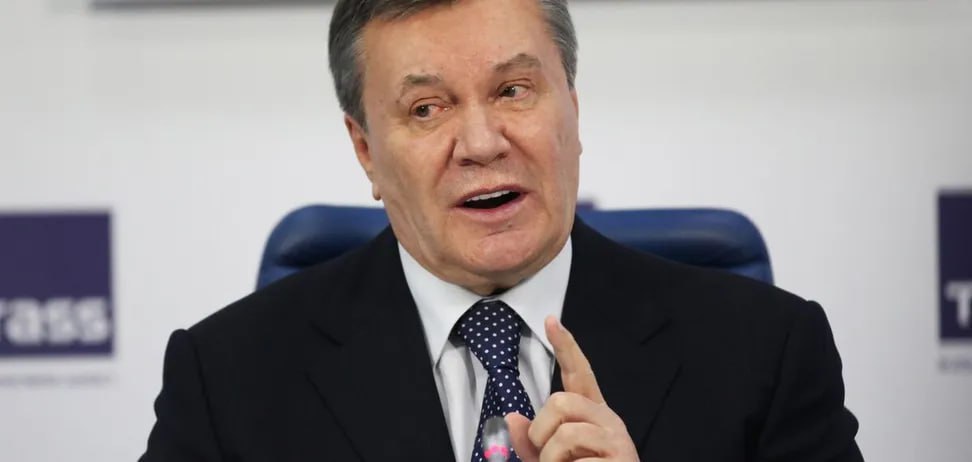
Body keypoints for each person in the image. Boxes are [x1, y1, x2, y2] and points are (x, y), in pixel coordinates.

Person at [141, 0, 863, 461]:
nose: (482, 143)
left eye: (513, 90)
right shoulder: (227, 379)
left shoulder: (765, 353)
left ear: (573, 109)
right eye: (427, 109)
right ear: (365, 151)